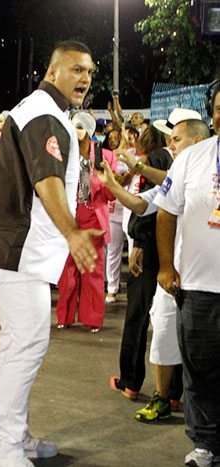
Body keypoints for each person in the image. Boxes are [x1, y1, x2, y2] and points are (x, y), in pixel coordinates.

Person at [0, 40, 99, 467]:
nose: (85, 79)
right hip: (16, 247)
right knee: (26, 345)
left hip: (12, 244)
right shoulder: (44, 113)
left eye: (90, 73)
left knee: (18, 345)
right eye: (77, 70)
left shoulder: (42, 109)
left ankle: (13, 437)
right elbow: (47, 180)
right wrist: (74, 233)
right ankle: (3, 449)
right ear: (54, 71)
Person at [96, 108, 209, 424]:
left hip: (205, 277)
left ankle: (193, 409)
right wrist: (116, 182)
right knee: (162, 330)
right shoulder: (176, 174)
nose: (170, 146)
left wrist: (137, 164)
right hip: (174, 271)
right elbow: (145, 204)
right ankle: (164, 397)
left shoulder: (206, 171)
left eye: (176, 139)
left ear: (197, 140)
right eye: (169, 138)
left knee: (199, 343)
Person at [154, 84, 220, 467]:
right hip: (197, 288)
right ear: (211, 116)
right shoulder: (191, 158)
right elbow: (166, 211)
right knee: (201, 371)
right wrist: (166, 265)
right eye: (218, 107)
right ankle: (206, 444)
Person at [109, 126, 169, 402]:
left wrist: (140, 244)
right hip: (172, 251)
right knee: (168, 320)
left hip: (152, 248)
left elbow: (146, 207)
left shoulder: (157, 160)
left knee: (138, 315)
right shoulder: (190, 161)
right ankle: (172, 391)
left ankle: (131, 380)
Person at [55, 112, 115, 332]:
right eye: (73, 126)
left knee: (92, 271)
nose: (75, 130)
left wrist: (103, 179)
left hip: (93, 217)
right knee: (67, 272)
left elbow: (112, 195)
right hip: (68, 217)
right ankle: (64, 315)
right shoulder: (62, 155)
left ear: (89, 131)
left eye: (80, 127)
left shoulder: (105, 156)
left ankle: (92, 319)